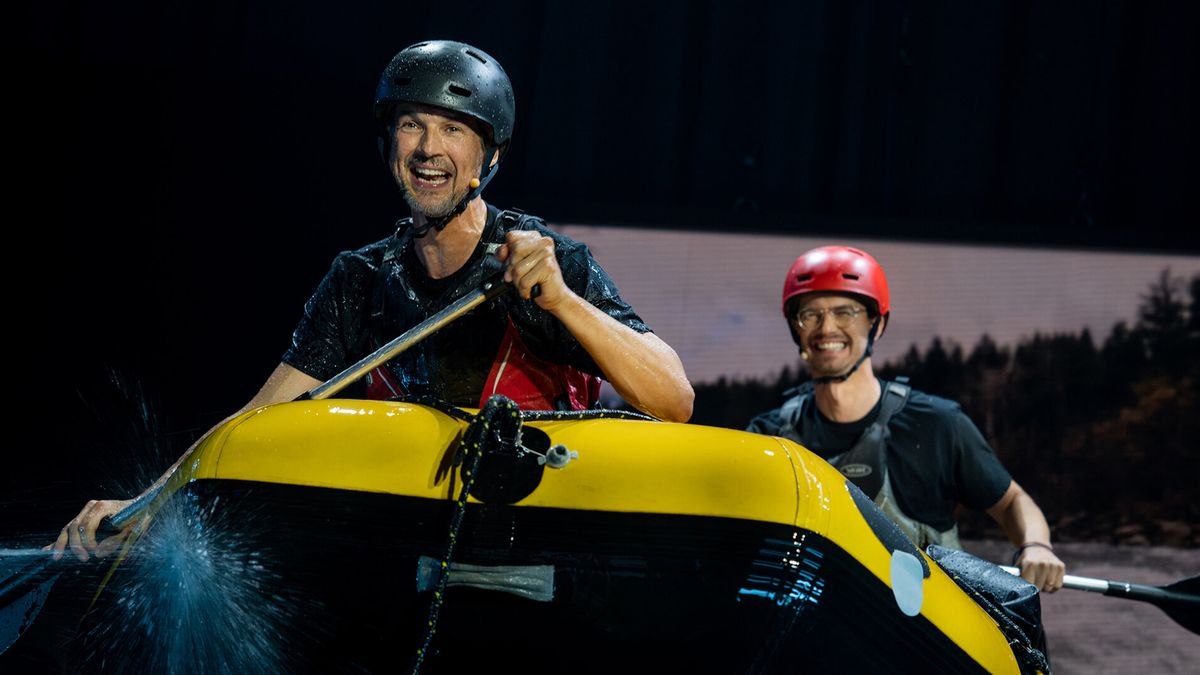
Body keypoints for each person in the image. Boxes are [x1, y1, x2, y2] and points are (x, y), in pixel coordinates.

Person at [52, 39, 693, 561]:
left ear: (486, 158)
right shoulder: (359, 279)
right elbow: (259, 417)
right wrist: (145, 507)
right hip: (397, 560)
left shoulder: (543, 263)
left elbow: (674, 400)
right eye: (410, 125)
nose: (427, 148)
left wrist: (563, 304)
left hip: (531, 561)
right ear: (389, 149)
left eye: (452, 128)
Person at [745, 245, 1065, 593]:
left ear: (877, 323)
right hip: (815, 630)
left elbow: (1013, 503)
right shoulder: (769, 438)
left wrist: (1036, 546)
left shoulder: (938, 424)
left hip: (922, 635)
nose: (827, 328)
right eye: (810, 314)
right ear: (796, 328)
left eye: (846, 312)